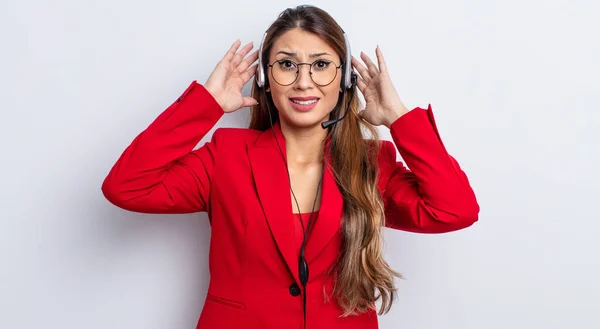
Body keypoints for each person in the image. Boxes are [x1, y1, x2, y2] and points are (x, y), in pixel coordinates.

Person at [101, 5, 479, 329]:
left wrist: (398, 117)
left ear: (345, 78)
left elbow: (454, 210)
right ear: (265, 78)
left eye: (320, 65)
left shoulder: (371, 162)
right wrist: (206, 105)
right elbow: (126, 187)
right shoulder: (225, 155)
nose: (303, 82)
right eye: (286, 65)